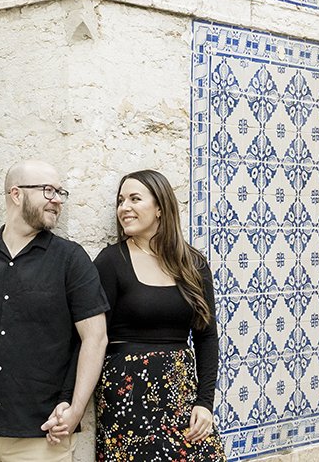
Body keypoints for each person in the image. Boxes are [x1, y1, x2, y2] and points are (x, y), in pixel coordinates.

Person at [0, 159, 109, 460]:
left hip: (42, 436)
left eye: (60, 192)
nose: (57, 200)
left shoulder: (70, 259)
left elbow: (95, 338)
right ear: (16, 194)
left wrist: (74, 412)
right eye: (48, 190)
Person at [93, 170, 225, 461]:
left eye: (135, 199)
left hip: (181, 393)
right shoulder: (110, 261)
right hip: (127, 397)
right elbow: (92, 338)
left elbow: (207, 337)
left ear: (160, 208)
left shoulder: (193, 264)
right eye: (120, 200)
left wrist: (205, 403)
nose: (124, 207)